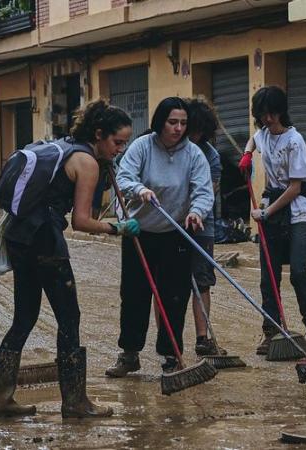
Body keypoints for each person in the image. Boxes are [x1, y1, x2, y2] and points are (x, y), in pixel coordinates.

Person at [0, 99, 137, 418]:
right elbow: (82, 221)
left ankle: (0, 399)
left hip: (20, 234)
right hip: (44, 238)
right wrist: (117, 227)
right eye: (117, 142)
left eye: (124, 144)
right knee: (69, 317)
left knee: (24, 317)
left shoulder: (68, 147)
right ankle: (75, 401)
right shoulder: (88, 163)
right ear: (99, 134)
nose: (120, 149)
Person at [106, 97, 214, 377]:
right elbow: (124, 178)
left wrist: (197, 212)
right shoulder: (142, 147)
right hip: (139, 233)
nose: (178, 128)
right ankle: (129, 354)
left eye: (183, 123)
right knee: (134, 294)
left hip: (175, 232)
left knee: (174, 296)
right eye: (172, 122)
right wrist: (140, 190)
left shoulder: (194, 154)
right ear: (160, 122)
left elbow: (203, 190)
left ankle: (170, 353)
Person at [239, 86, 306, 356]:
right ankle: (271, 331)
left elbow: (294, 187)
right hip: (272, 209)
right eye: (263, 115)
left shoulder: (295, 141)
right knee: (269, 275)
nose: (268, 119)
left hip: (298, 210)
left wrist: (266, 213)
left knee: (299, 271)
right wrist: (246, 154)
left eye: (272, 114)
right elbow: (254, 140)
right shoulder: (263, 134)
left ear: (281, 111)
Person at [186, 97, 225, 356]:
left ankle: (202, 339)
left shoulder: (211, 157)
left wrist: (194, 212)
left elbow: (208, 193)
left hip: (201, 225)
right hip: (168, 223)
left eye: (201, 131)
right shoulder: (169, 149)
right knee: (170, 284)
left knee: (202, 282)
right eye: (193, 129)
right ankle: (169, 343)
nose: (196, 135)